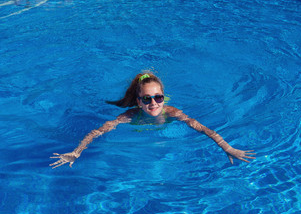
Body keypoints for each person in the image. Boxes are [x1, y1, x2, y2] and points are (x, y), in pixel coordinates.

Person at [50, 71, 255, 168]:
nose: (154, 104)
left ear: (163, 97)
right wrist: (76, 152)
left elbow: (203, 129)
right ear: (138, 102)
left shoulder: (172, 112)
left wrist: (226, 147)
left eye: (158, 98)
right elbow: (98, 132)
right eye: (147, 99)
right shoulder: (129, 116)